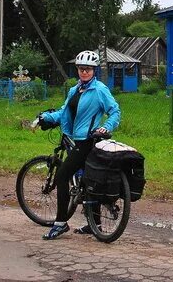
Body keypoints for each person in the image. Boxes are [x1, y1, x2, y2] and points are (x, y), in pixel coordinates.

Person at [39, 50, 121, 240]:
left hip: (87, 141)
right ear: (77, 69)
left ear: (94, 71)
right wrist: (46, 117)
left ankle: (60, 223)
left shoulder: (99, 89)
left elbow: (115, 111)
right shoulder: (74, 90)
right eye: (81, 69)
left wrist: (105, 127)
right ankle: (95, 224)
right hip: (74, 137)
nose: (84, 72)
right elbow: (64, 112)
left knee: (61, 176)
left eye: (88, 69)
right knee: (88, 181)